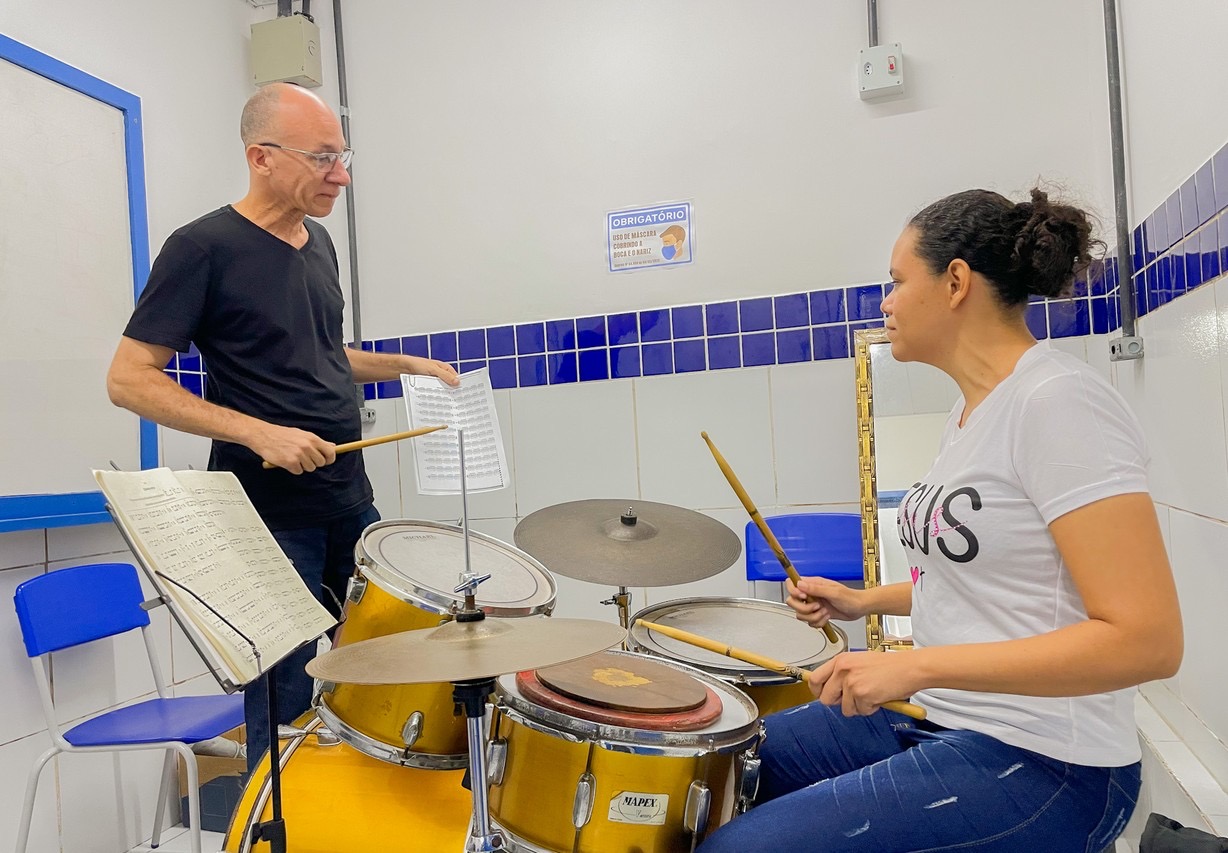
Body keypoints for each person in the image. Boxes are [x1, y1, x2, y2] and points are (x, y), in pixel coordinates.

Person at [698, 187, 1182, 853]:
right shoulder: (969, 415)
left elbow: (1147, 640)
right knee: (718, 757)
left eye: (896, 281)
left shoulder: (1057, 404)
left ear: (956, 281)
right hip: (943, 715)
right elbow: (990, 579)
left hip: (1051, 763)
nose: (886, 303)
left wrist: (913, 668)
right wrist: (862, 600)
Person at [106, 82, 458, 773]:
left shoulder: (317, 242)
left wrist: (406, 363)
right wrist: (259, 432)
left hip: (349, 504)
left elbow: (325, 354)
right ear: (261, 157)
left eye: (343, 156)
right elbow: (128, 377)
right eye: (324, 157)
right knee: (289, 694)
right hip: (268, 518)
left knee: (373, 679)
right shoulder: (203, 248)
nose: (342, 175)